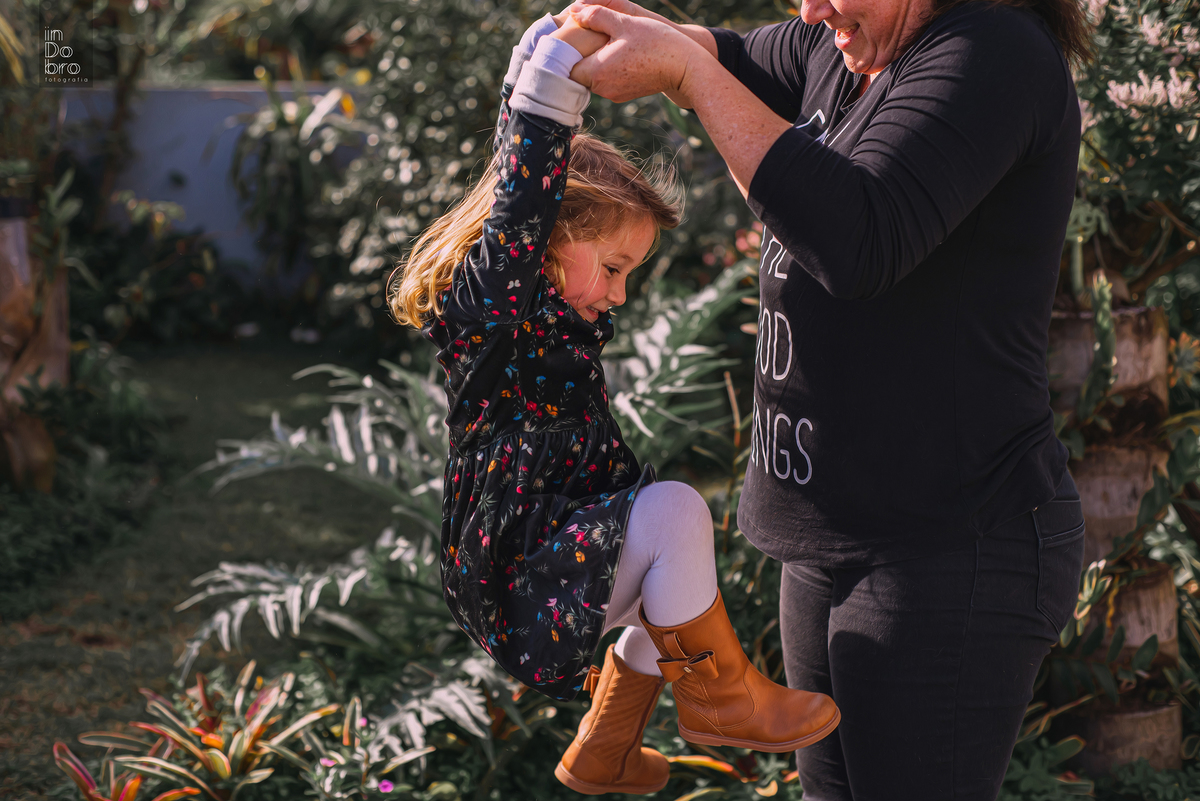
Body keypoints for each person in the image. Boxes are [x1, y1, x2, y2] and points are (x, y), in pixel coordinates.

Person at [561, 0, 1093, 798]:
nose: (810, 10)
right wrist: (630, 33)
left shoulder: (995, 56)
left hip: (951, 545)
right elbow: (729, 53)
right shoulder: (841, 48)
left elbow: (859, 235)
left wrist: (691, 74)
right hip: (830, 544)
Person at [388, 13, 840, 796]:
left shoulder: (544, 310)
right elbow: (522, 187)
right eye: (615, 265)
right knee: (673, 514)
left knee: (663, 581)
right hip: (519, 566)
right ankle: (721, 700)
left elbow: (519, 175)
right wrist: (553, 71)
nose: (623, 292)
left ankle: (605, 746)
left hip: (542, 553)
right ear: (548, 240)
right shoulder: (497, 308)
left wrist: (536, 56)